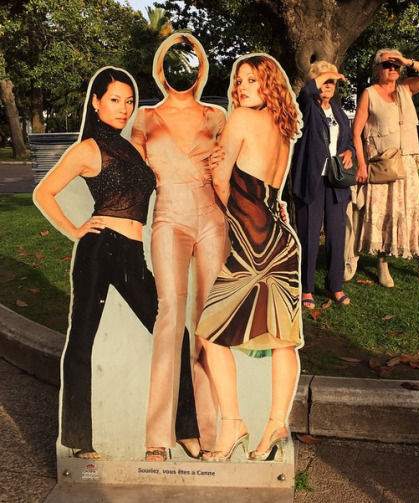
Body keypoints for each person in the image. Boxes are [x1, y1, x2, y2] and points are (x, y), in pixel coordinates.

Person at [33, 67, 158, 459]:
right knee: (82, 338)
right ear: (97, 102)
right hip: (101, 249)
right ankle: (78, 439)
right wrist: (75, 230)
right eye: (115, 100)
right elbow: (43, 193)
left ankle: (184, 429)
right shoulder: (88, 148)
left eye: (129, 100)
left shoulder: (130, 147)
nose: (124, 108)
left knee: (173, 334)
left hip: (132, 254)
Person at [196, 54, 303, 462]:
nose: (241, 88)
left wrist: (212, 172)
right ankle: (275, 423)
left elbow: (223, 189)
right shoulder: (282, 127)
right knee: (282, 339)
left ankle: (234, 423)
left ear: (268, 85)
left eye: (251, 81)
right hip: (281, 241)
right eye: (239, 80)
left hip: (254, 246)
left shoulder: (239, 120)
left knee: (209, 333)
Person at [131, 32, 228, 461]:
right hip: (168, 215)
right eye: (173, 61)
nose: (182, 70)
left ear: (201, 67)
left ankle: (210, 434)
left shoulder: (216, 116)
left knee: (208, 321)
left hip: (212, 218)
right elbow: (132, 179)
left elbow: (232, 173)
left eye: (190, 60)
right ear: (160, 68)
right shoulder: (145, 118)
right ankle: (158, 436)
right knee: (169, 317)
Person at [352, 49, 419, 287]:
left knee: (414, 211)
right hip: (382, 164)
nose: (392, 69)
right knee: (382, 212)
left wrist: (408, 61)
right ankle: (382, 263)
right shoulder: (369, 94)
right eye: (387, 65)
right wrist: (362, 164)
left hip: (406, 164)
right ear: (377, 68)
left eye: (396, 66)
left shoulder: (406, 89)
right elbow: (357, 131)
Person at [291, 61, 356, 309]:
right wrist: (328, 73)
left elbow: (348, 141)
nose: (329, 85)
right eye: (324, 80)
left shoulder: (339, 112)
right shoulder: (306, 107)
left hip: (337, 181)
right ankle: (306, 288)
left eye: (332, 82)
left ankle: (335, 285)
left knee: (337, 234)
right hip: (312, 179)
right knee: (308, 234)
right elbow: (307, 91)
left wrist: (349, 152)